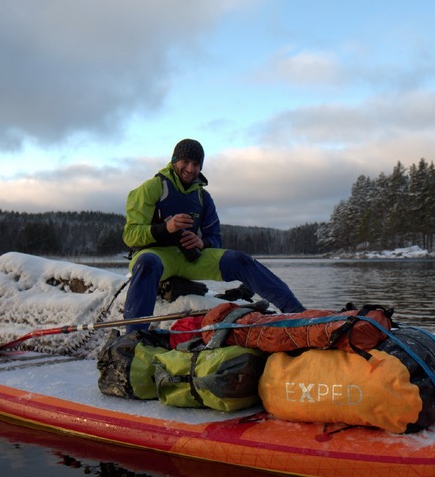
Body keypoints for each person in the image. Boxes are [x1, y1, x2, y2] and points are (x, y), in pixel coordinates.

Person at [122, 138, 305, 332]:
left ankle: (299, 314)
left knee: (241, 260)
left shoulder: (203, 197)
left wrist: (202, 243)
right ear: (174, 161)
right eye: (185, 162)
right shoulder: (152, 188)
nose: (191, 169)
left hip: (189, 258)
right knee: (148, 264)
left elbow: (215, 239)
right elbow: (131, 235)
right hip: (156, 256)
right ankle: (135, 336)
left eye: (196, 164)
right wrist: (165, 228)